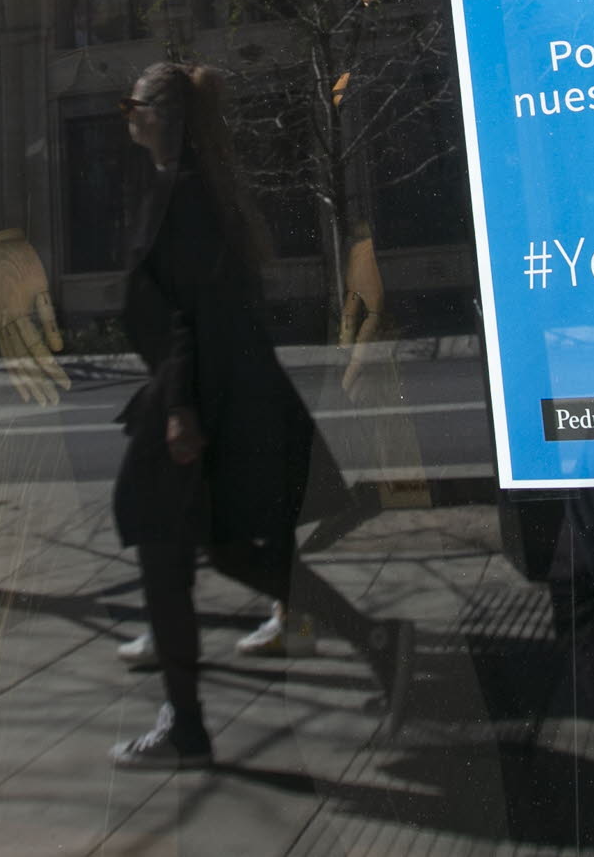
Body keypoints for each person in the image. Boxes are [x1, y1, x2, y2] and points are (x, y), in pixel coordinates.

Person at [107, 61, 410, 769]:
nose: (126, 112)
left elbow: (188, 309)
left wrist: (179, 407)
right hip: (208, 396)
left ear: (163, 112)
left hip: (196, 401)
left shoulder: (184, 193)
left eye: (135, 101)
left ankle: (186, 725)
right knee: (224, 550)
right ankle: (373, 641)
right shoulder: (189, 188)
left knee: (178, 547)